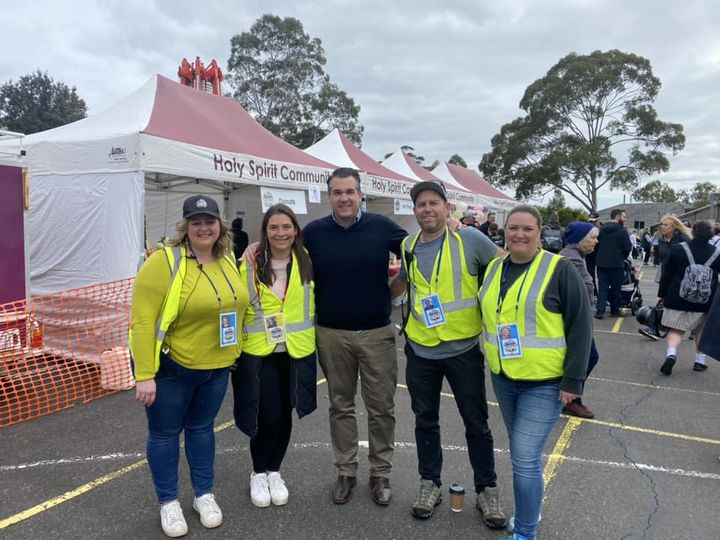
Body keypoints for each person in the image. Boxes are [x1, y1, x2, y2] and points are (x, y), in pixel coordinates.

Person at [130, 195, 248, 538]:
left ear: (220, 225)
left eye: (209, 221)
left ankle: (203, 495)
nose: (203, 227)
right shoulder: (163, 262)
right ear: (185, 227)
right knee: (165, 434)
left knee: (201, 430)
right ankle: (168, 502)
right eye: (195, 222)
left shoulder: (227, 259)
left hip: (217, 367)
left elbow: (239, 305)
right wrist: (144, 375)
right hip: (173, 369)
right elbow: (142, 321)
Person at [390, 180, 506, 528]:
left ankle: (487, 490)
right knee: (425, 420)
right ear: (415, 210)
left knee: (476, 422)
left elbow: (503, 266)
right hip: (421, 349)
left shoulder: (470, 239)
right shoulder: (408, 245)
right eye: (421, 204)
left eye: (433, 203)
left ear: (446, 207)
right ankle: (430, 483)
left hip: (463, 349)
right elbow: (406, 285)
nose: (427, 209)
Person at [478, 205, 591, 540]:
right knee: (522, 452)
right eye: (513, 228)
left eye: (527, 229)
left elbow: (581, 328)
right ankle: (530, 511)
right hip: (504, 377)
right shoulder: (496, 267)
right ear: (504, 232)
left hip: (544, 383)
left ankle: (526, 531)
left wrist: (573, 381)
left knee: (524, 457)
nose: (519, 234)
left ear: (540, 233)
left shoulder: (560, 269)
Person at [303, 168, 407, 506]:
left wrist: (395, 290)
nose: (344, 198)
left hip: (376, 332)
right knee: (340, 406)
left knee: (381, 407)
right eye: (337, 192)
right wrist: (255, 245)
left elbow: (419, 252)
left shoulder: (382, 227)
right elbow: (281, 249)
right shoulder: (314, 233)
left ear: (360, 194)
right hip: (332, 333)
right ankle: (346, 471)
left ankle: (380, 473)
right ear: (328, 196)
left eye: (350, 191)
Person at [231, 204, 317, 508]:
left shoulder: (308, 262)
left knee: (286, 413)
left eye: (286, 227)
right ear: (264, 233)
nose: (281, 233)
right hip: (259, 352)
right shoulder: (247, 265)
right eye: (274, 228)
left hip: (297, 351)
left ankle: (274, 471)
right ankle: (257, 472)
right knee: (267, 415)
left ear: (295, 230)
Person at [657, 220, 720, 376]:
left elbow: (667, 273)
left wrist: (662, 294)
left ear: (693, 232)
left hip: (678, 297)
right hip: (705, 300)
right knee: (701, 330)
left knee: (676, 329)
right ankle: (700, 361)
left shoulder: (678, 249)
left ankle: (671, 354)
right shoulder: (717, 253)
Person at [559, 222, 601, 418]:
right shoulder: (571, 259)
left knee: (586, 357)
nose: (596, 241)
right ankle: (570, 399)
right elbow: (576, 292)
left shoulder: (578, 256)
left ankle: (571, 397)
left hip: (578, 318)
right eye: (592, 237)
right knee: (588, 357)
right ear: (579, 238)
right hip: (573, 320)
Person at [639, 216, 691, 340]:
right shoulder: (661, 240)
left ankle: (695, 330)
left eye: (666, 225)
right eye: (662, 224)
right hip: (667, 275)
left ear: (674, 227)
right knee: (665, 303)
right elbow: (663, 260)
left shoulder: (684, 239)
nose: (662, 226)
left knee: (683, 307)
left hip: (682, 277)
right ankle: (656, 328)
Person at [595, 209, 631, 319]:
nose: (625, 219)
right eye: (624, 217)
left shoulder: (602, 229)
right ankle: (614, 310)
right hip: (616, 264)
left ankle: (600, 311)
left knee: (602, 287)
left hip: (602, 263)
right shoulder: (622, 231)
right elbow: (627, 247)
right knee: (616, 288)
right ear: (617, 217)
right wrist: (622, 257)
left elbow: (597, 245)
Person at [585, 213, 601, 296]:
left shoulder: (602, 229)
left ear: (598, 221)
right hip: (590, 254)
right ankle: (594, 293)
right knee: (590, 274)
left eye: (594, 221)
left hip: (600, 254)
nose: (592, 223)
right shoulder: (587, 228)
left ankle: (600, 295)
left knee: (601, 276)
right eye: (590, 221)